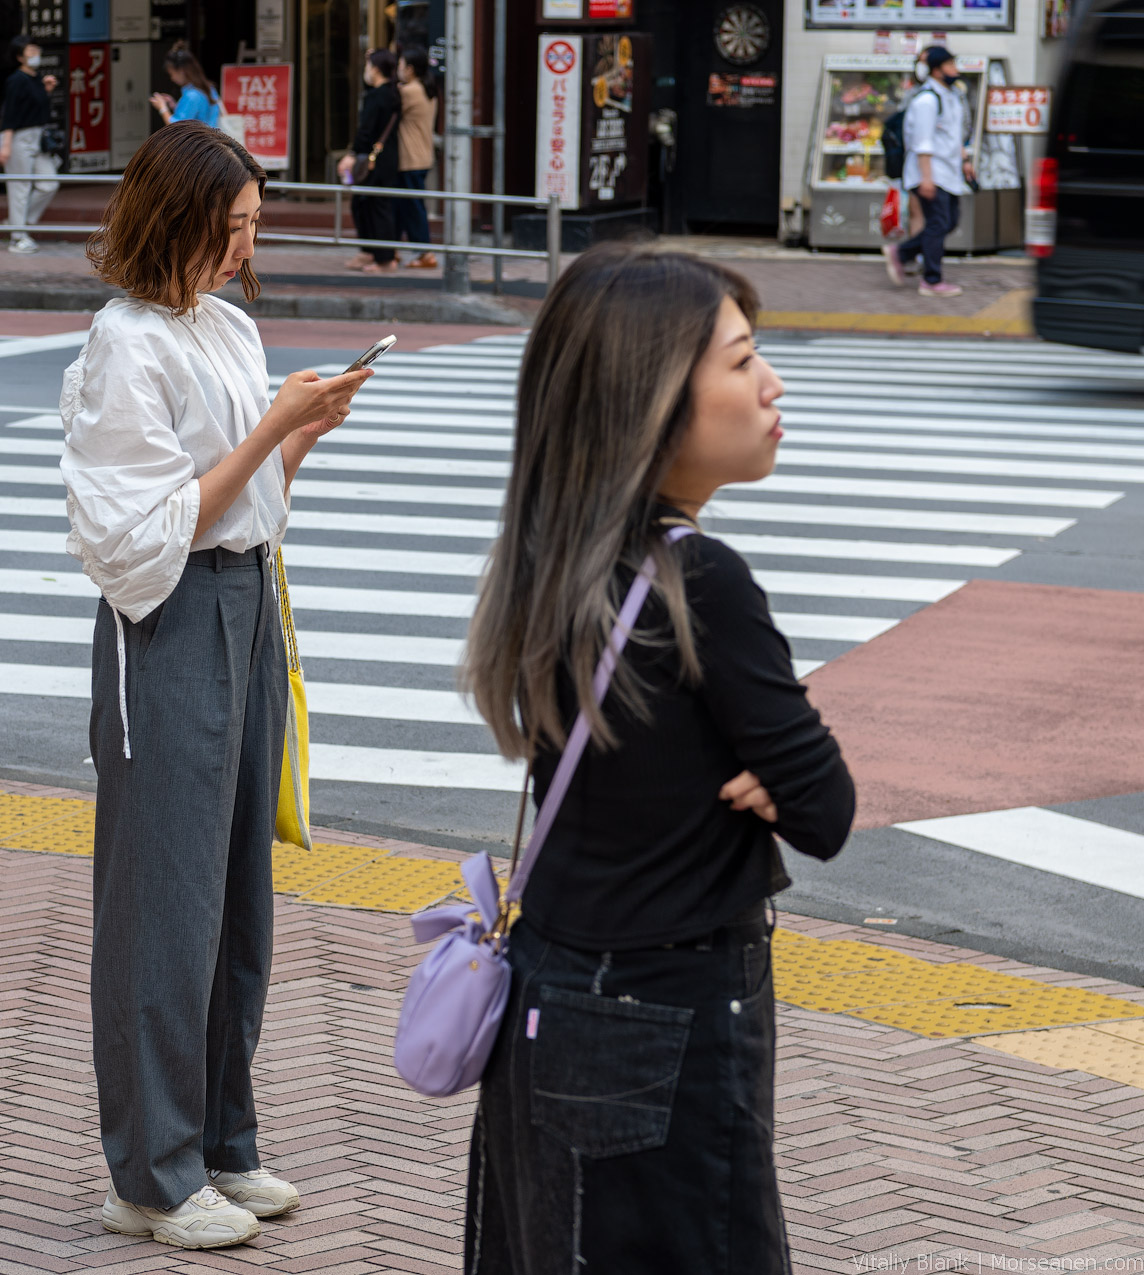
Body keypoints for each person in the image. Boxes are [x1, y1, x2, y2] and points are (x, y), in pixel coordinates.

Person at [460, 243, 854, 1270]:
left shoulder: (554, 556)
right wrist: (772, 773)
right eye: (737, 361)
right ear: (651, 400)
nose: (768, 385)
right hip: (666, 1019)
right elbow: (824, 808)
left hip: (547, 992)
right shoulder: (700, 584)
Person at [64, 121, 372, 1250]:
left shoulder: (226, 325)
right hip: (169, 616)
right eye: (228, 227)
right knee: (165, 900)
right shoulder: (122, 342)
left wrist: (302, 433)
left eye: (250, 227)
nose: (243, 247)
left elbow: (244, 498)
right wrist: (272, 431)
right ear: (174, 220)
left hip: (247, 602)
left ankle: (217, 1143)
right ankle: (148, 1171)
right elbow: (141, 532)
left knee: (236, 886)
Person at [884, 46, 974, 298]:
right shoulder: (926, 100)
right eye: (951, 65)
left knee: (950, 221)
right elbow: (922, 142)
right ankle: (931, 280)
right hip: (930, 173)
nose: (955, 70)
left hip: (948, 172)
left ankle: (901, 253)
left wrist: (965, 160)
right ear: (937, 69)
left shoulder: (951, 96)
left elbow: (952, 135)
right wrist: (926, 178)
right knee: (937, 223)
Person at [339, 49, 402, 274]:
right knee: (364, 204)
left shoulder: (377, 96)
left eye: (368, 66)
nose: (365, 71)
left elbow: (365, 130)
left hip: (375, 160)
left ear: (375, 69)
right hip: (386, 158)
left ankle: (385, 260)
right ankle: (370, 252)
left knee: (376, 207)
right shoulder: (391, 93)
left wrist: (351, 154)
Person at [0, 35, 62, 255]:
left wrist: (46, 91)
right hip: (18, 138)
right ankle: (18, 237)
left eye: (36, 50)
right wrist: (5, 145)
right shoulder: (16, 80)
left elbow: (34, 110)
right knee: (20, 188)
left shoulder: (35, 78)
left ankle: (18, 222)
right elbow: (10, 115)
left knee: (49, 183)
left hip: (36, 138)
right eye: (30, 51)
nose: (35, 55)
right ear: (19, 56)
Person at [395, 47, 438, 270]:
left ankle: (425, 253)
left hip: (409, 158)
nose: (398, 70)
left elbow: (387, 100)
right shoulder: (426, 88)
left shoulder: (409, 91)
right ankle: (394, 249)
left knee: (412, 207)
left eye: (400, 66)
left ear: (410, 69)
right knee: (406, 205)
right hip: (422, 156)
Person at [149, 43, 220, 129]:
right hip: (211, 139)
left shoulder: (192, 95)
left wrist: (162, 108)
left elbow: (176, 128)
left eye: (172, 74)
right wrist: (176, 106)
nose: (172, 78)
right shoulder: (209, 88)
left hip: (197, 142)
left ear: (181, 71)